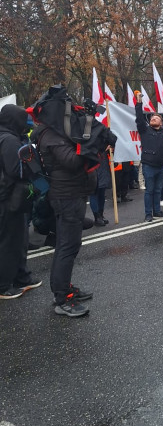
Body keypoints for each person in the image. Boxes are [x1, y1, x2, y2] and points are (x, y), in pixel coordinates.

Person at [33, 101, 111, 317]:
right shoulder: (50, 135)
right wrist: (93, 144)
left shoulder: (56, 133)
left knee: (69, 244)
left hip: (72, 194)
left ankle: (64, 288)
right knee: (66, 246)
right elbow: (73, 161)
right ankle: (61, 297)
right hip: (65, 196)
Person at [0, 105, 42, 299]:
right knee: (9, 241)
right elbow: (16, 170)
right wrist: (33, 165)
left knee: (19, 239)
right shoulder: (8, 140)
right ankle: (3, 285)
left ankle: (21, 277)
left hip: (10, 196)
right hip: (8, 198)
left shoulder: (8, 137)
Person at [135, 92, 163, 222]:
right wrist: (139, 103)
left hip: (161, 167)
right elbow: (139, 118)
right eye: (151, 119)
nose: (153, 119)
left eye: (156, 118)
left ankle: (157, 211)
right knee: (149, 191)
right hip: (149, 166)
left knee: (158, 190)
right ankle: (148, 214)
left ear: (161, 122)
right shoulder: (144, 130)